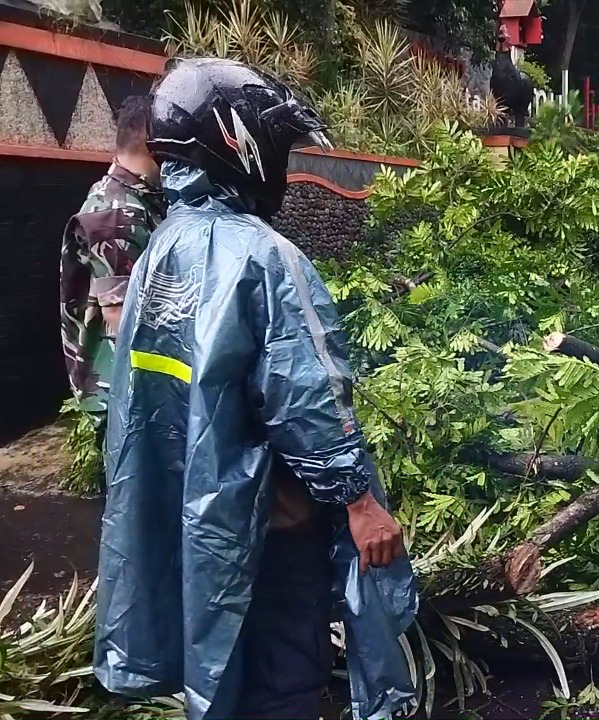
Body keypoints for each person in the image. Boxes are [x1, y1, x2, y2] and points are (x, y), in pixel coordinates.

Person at [94, 58, 418, 720]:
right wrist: (360, 503)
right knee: (282, 683)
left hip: (195, 519)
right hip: (269, 530)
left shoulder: (164, 247)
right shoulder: (263, 257)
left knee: (223, 681)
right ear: (238, 142)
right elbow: (306, 396)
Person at [59, 95, 165, 425]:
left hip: (129, 396)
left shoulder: (134, 199)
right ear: (154, 142)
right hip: (122, 403)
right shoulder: (116, 213)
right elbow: (123, 320)